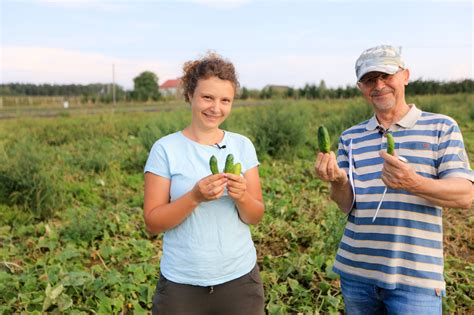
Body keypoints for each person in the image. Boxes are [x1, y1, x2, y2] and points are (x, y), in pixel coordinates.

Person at [315, 44, 473, 315]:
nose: (378, 85)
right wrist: (338, 181)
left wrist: (413, 182)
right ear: (360, 87)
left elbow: (465, 196)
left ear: (405, 76)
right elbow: (345, 204)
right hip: (356, 272)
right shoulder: (350, 137)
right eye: (369, 79)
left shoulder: (441, 127)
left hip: (416, 279)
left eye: (386, 76)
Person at [144, 52, 265, 314]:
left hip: (240, 280)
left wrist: (242, 196)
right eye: (207, 97)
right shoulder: (165, 149)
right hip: (181, 285)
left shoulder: (242, 146)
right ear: (189, 95)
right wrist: (194, 197)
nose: (216, 108)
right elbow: (153, 223)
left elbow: (255, 216)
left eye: (225, 100)